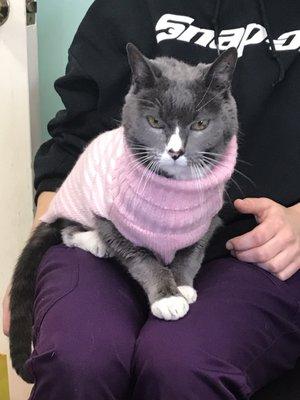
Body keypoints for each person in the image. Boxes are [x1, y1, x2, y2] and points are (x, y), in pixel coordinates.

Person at [3, 0, 300, 399]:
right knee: (80, 355)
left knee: (183, 364)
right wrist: (36, 255)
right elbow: (72, 138)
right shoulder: (120, 10)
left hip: (253, 248)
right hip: (110, 227)